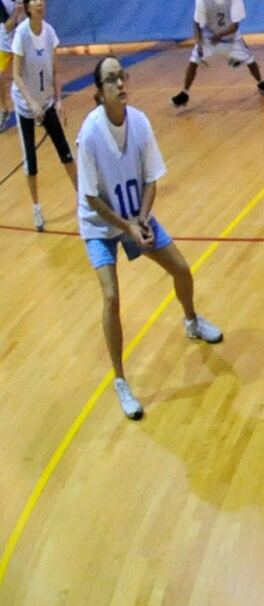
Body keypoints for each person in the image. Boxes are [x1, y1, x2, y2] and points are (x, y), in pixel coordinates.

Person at [76, 57, 225, 421]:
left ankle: (190, 320)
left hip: (135, 217)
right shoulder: (91, 134)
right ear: (99, 94)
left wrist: (141, 219)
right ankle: (121, 381)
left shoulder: (139, 122)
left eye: (121, 76)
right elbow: (92, 197)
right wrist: (125, 227)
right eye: (111, 79)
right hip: (100, 225)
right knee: (111, 297)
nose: (120, 83)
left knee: (182, 269)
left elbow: (151, 178)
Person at [12, 0, 76, 232]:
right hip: (25, 106)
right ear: (27, 6)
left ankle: (85, 201)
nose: (40, 2)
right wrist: (31, 103)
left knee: (66, 152)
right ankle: (37, 208)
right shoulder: (21, 35)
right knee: (31, 161)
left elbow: (56, 71)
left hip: (46, 102)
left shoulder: (49, 32)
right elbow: (16, 75)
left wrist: (58, 101)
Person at [170, 0, 264, 107]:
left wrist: (220, 35)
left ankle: (261, 83)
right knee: (193, 62)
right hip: (210, 38)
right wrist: (199, 43)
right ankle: (184, 93)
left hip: (230, 38)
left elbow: (235, 25)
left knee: (251, 62)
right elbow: (196, 22)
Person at [0, 0, 25, 73]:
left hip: (23, 39)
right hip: (6, 41)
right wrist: (17, 11)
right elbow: (7, 26)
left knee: (29, 74)